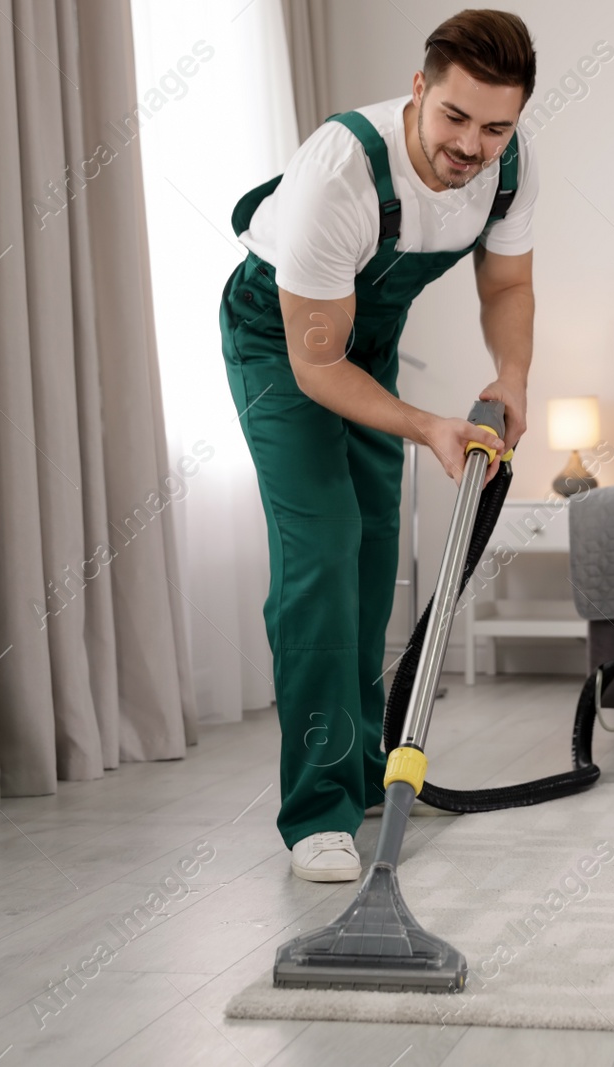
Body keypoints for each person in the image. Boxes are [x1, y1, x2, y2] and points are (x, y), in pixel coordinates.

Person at [219, 10, 538, 881]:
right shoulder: (343, 171)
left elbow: (507, 279)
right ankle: (317, 812)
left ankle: (363, 768)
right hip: (284, 343)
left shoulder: (508, 167)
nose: (472, 145)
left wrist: (510, 377)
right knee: (320, 552)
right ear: (418, 91)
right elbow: (319, 369)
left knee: (370, 557)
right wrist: (428, 423)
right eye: (455, 118)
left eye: (496, 126)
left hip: (364, 337)